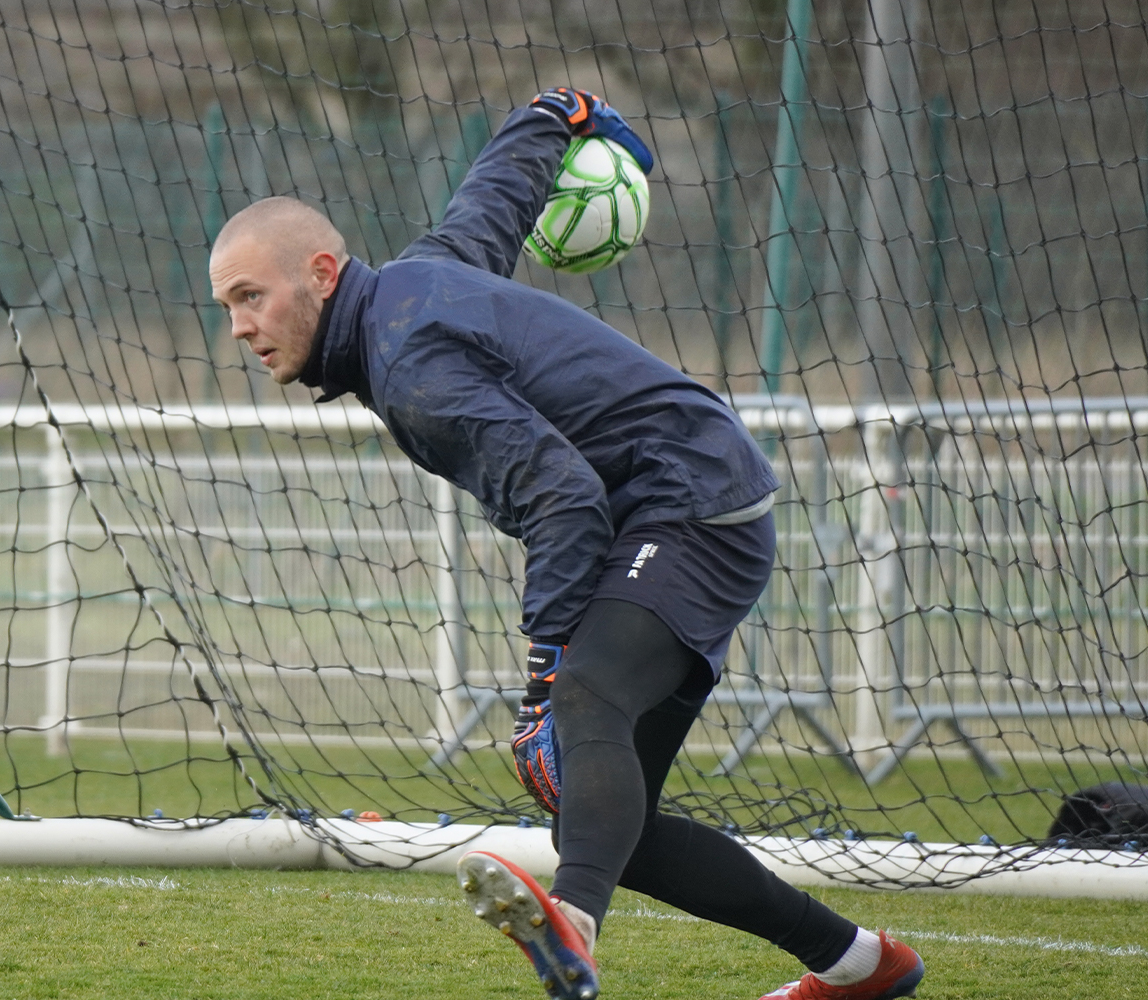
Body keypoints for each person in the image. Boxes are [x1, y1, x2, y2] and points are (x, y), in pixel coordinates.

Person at [208, 88, 926, 1000]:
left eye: (249, 296)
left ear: (319, 272)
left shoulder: (409, 361)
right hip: (675, 499)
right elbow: (493, 198)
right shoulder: (419, 279)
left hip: (688, 499)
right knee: (614, 822)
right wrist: (560, 112)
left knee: (584, 705)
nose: (238, 327)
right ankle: (860, 964)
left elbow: (566, 502)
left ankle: (573, 925)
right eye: (228, 305)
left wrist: (545, 675)